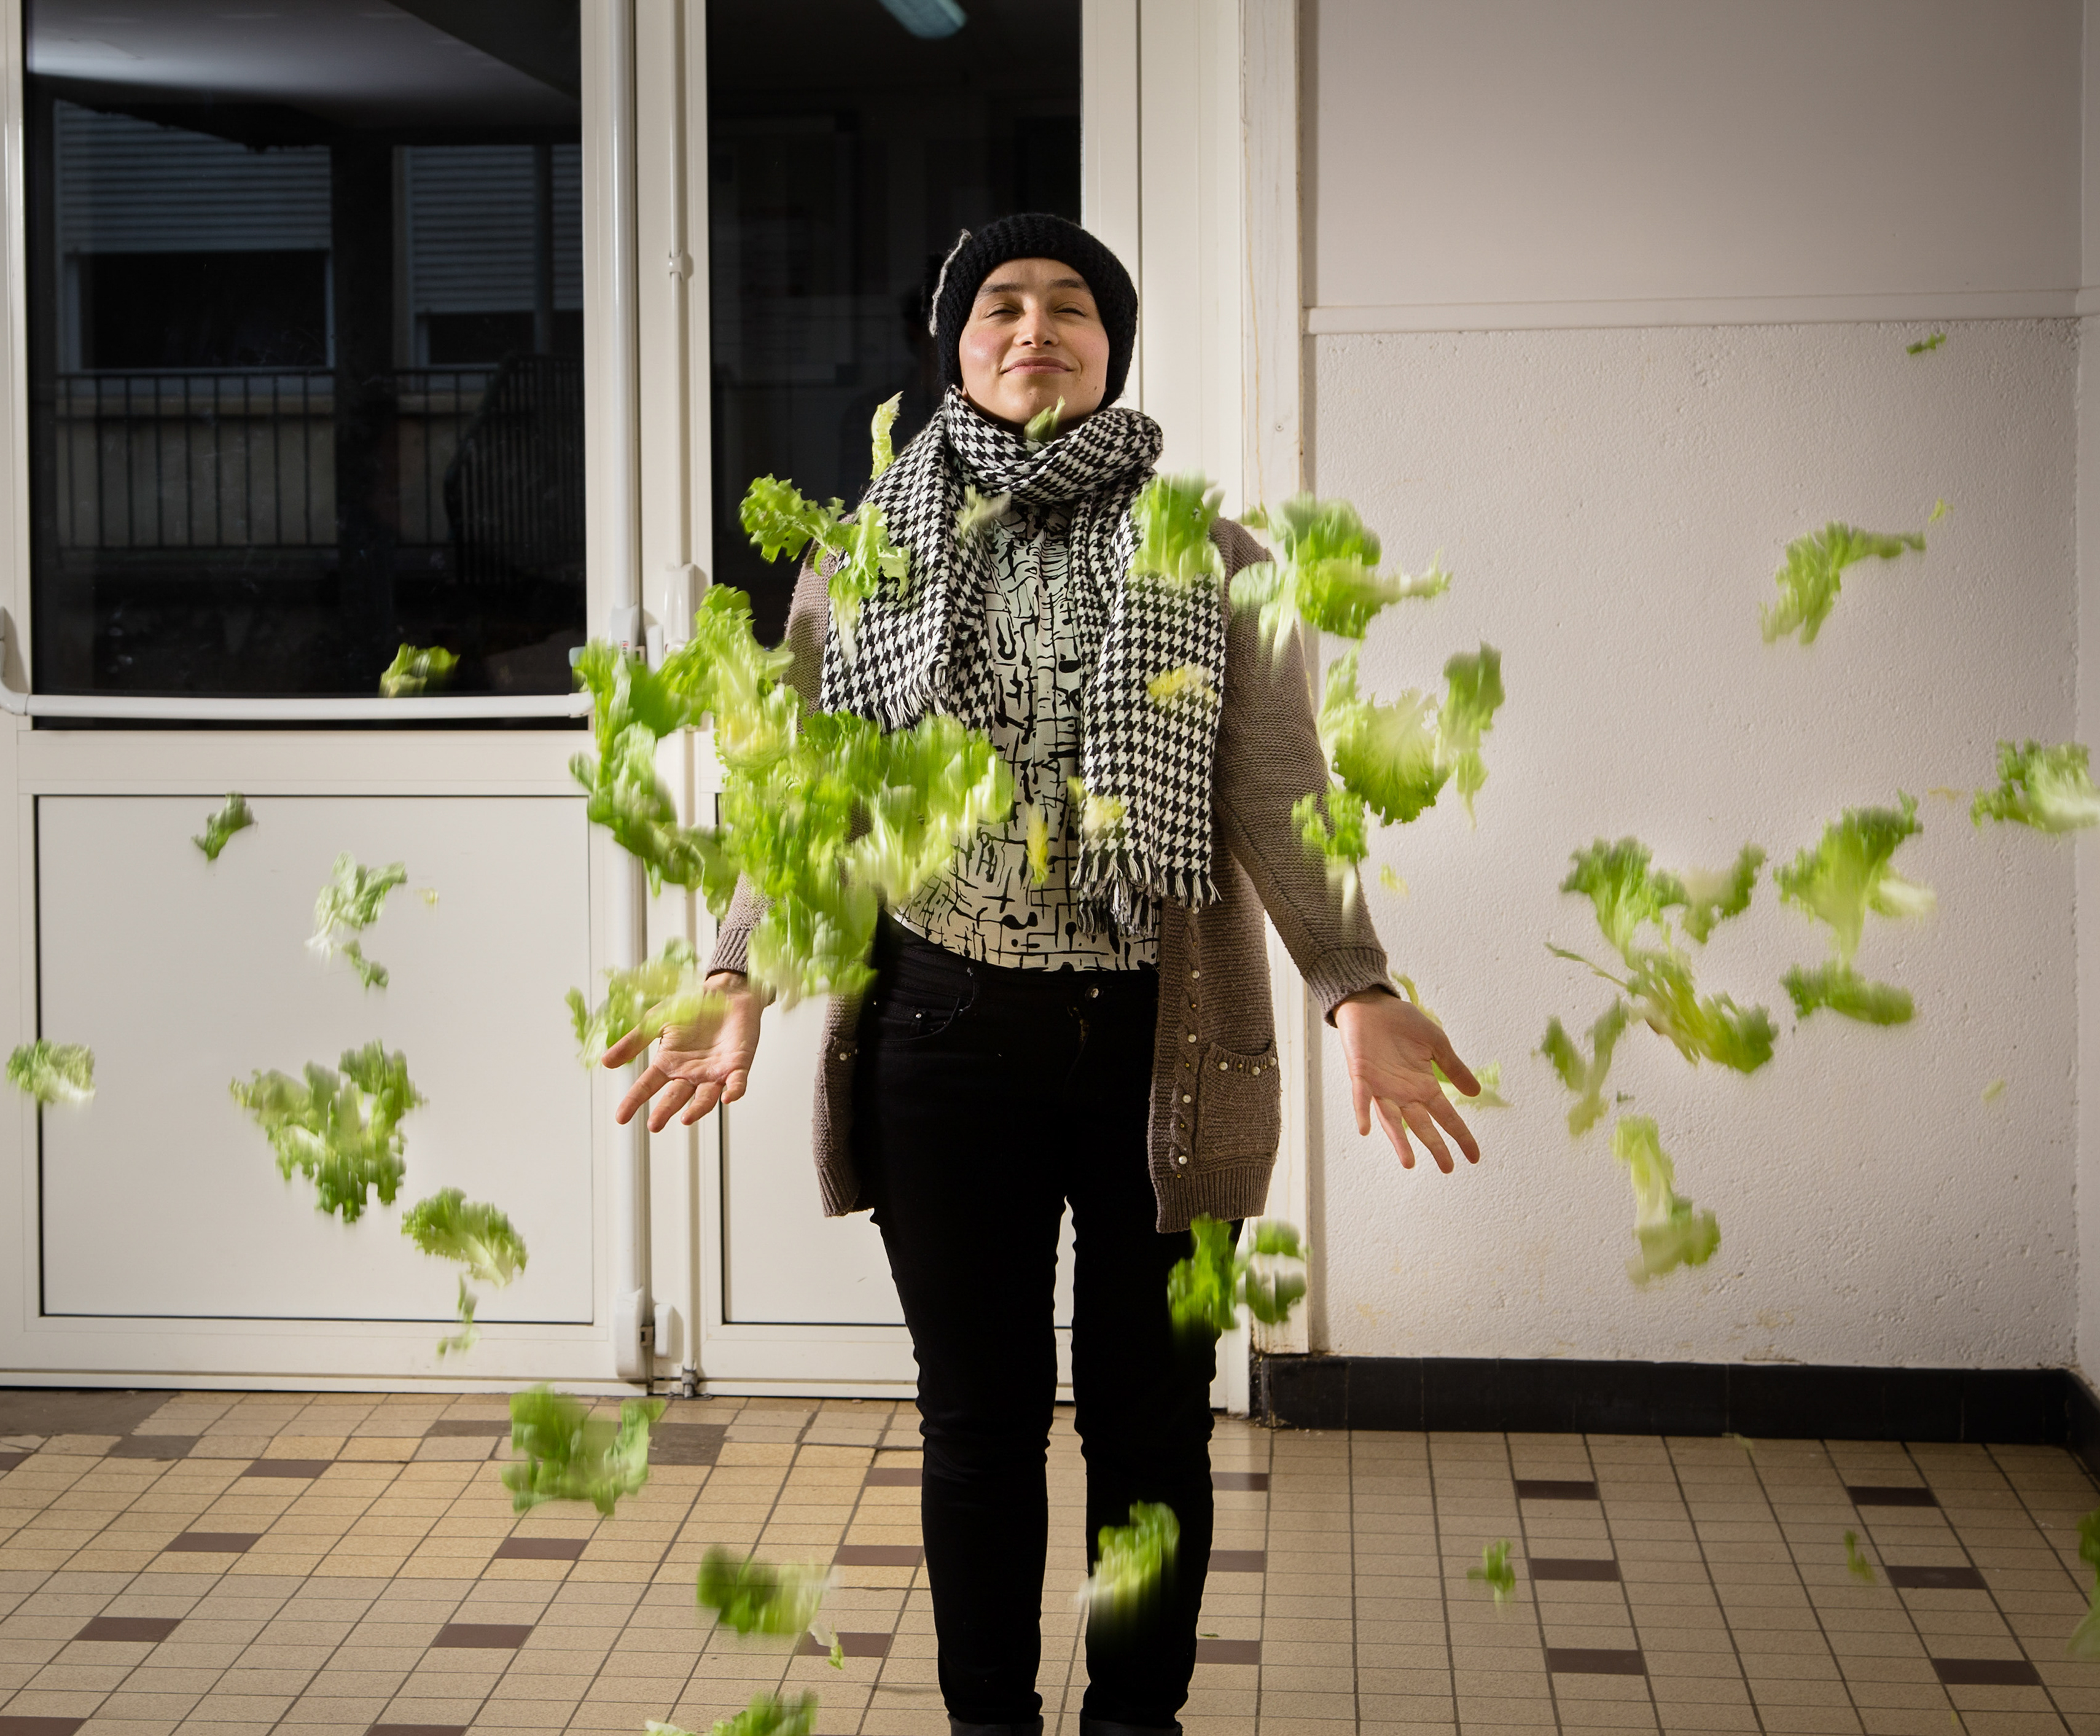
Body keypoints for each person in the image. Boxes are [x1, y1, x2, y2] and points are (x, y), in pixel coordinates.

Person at [607, 213, 1483, 1736]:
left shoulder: (1216, 555)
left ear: (1110, 346)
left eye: (1070, 308)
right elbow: (813, 794)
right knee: (982, 1423)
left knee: (1155, 1431)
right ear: (955, 342)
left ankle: (1137, 1721)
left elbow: (1275, 785)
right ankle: (990, 1724)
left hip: (1164, 1041)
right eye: (1001, 306)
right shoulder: (862, 551)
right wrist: (735, 964)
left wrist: (1358, 982)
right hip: (940, 1035)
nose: (1034, 330)